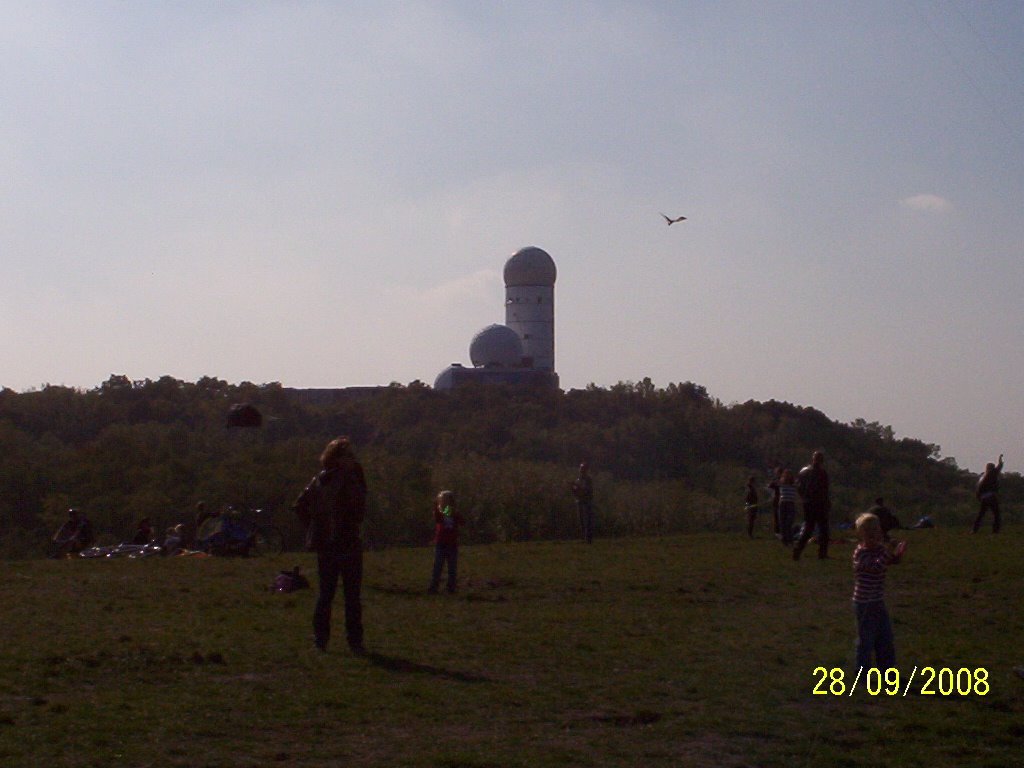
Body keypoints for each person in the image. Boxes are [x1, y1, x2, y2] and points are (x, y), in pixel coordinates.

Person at [294, 436, 367, 654]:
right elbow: (301, 506)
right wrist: (317, 526)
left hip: (337, 543)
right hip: (342, 543)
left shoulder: (322, 480)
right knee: (336, 595)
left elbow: (300, 506)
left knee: (341, 595)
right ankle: (339, 640)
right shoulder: (333, 480)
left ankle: (332, 639)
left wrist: (315, 528)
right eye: (347, 455)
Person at [852, 512, 906, 671]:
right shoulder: (860, 553)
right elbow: (875, 567)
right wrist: (888, 552)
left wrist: (896, 552)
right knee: (866, 640)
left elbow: (889, 561)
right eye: (868, 532)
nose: (873, 535)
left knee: (885, 638)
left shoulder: (879, 550)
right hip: (864, 603)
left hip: (877, 601)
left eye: (876, 531)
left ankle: (888, 671)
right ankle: (862, 672)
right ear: (861, 535)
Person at [793, 450, 831, 560]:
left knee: (808, 528)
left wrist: (804, 498)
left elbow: (799, 486)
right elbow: (824, 490)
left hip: (807, 503)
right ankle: (822, 553)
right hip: (819, 503)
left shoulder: (803, 471)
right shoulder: (822, 473)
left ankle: (798, 549)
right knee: (823, 529)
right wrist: (826, 502)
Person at [428, 490, 464, 594]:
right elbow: (437, 518)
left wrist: (455, 513)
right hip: (441, 544)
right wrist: (437, 507)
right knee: (438, 567)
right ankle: (434, 587)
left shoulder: (453, 513)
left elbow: (462, 522)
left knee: (451, 568)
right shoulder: (440, 513)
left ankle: (450, 588)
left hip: (452, 545)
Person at [973, 454, 1004, 533]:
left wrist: (979, 498)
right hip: (991, 497)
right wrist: (1000, 459)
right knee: (997, 515)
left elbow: (978, 490)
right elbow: (999, 466)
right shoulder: (992, 473)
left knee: (980, 515)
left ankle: (975, 530)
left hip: (984, 498)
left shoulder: (982, 477)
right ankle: (995, 531)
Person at [570, 462, 594, 544]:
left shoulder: (588, 480)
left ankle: (588, 539)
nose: (581, 470)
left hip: (586, 502)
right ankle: (584, 537)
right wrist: (573, 488)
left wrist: (577, 488)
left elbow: (586, 490)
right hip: (579, 501)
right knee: (581, 521)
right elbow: (575, 491)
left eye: (583, 468)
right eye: (581, 468)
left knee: (587, 521)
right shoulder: (578, 480)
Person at [777, 469, 799, 545]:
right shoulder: (781, 483)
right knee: (782, 522)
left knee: (789, 522)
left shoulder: (794, 484)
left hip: (790, 503)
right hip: (783, 503)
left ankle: (789, 538)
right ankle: (785, 539)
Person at [767, 467, 782, 536]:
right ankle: (777, 531)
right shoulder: (775, 481)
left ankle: (781, 530)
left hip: (782, 500)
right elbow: (769, 487)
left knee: (781, 515)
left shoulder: (783, 481)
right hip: (776, 500)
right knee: (776, 516)